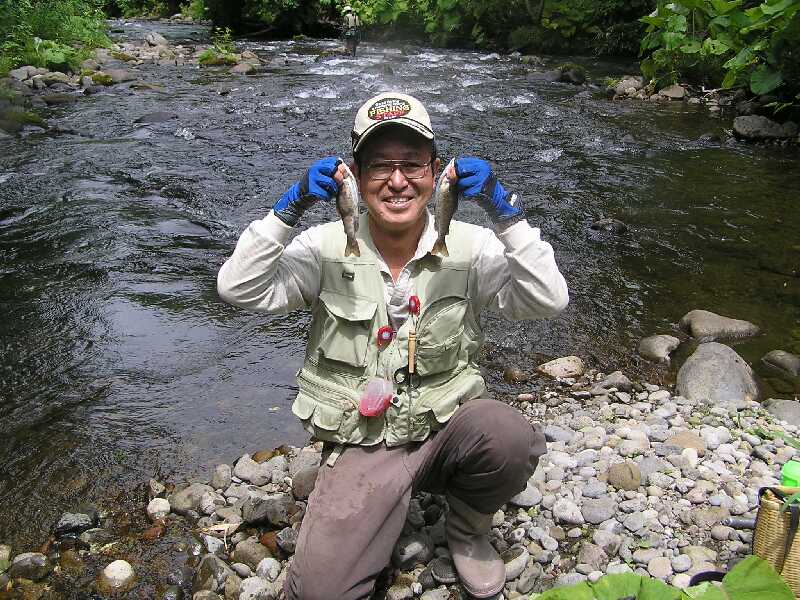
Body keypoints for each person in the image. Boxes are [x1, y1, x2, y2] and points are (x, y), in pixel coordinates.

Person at [217, 91, 569, 600]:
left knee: (508, 435)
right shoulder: (323, 247)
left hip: (447, 425)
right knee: (320, 592)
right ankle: (385, 503)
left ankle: (467, 528)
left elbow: (547, 299)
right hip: (364, 440)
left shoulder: (471, 245)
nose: (398, 181)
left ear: (436, 172)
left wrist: (507, 214)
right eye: (381, 166)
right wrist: (285, 208)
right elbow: (239, 288)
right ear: (356, 177)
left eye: (412, 165)